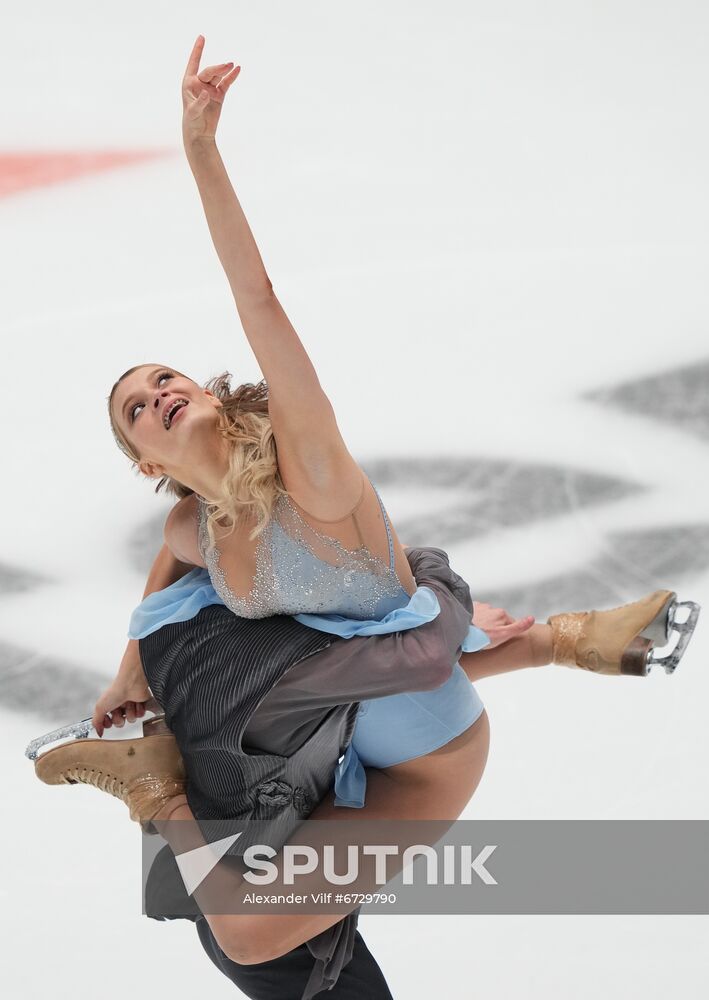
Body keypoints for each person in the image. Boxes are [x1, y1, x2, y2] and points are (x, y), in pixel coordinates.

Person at [28, 33, 700, 999]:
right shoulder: (199, 535)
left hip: (423, 757)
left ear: (212, 395)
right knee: (253, 701)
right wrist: (127, 670)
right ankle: (564, 639)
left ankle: (154, 788)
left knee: (246, 933)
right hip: (345, 720)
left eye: (166, 376)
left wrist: (201, 150)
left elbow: (256, 298)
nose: (157, 394)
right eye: (136, 407)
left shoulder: (313, 472)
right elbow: (159, 591)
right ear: (147, 460)